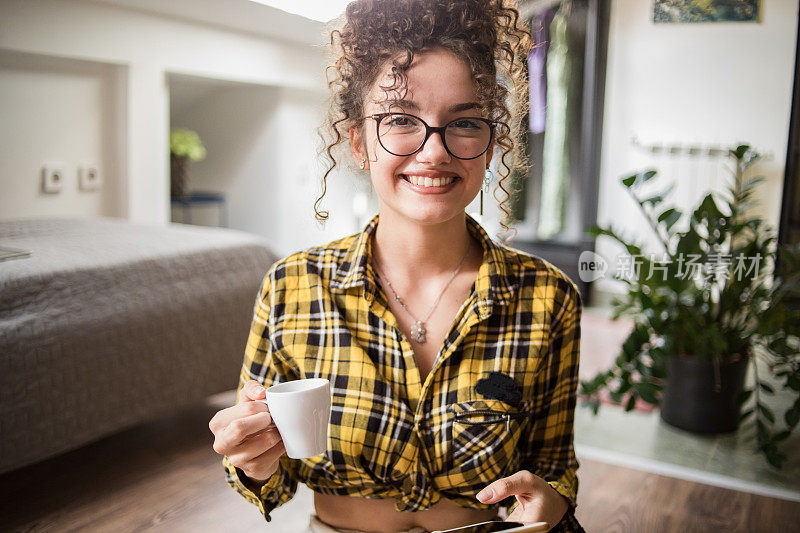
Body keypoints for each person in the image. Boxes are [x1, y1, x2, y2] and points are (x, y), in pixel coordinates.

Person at [208, 1, 585, 531]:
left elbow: (555, 469)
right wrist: (253, 459)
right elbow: (270, 478)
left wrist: (552, 499)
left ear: (489, 142)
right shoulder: (292, 286)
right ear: (359, 141)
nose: (434, 152)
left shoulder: (549, 298)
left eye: (465, 122)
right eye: (402, 120)